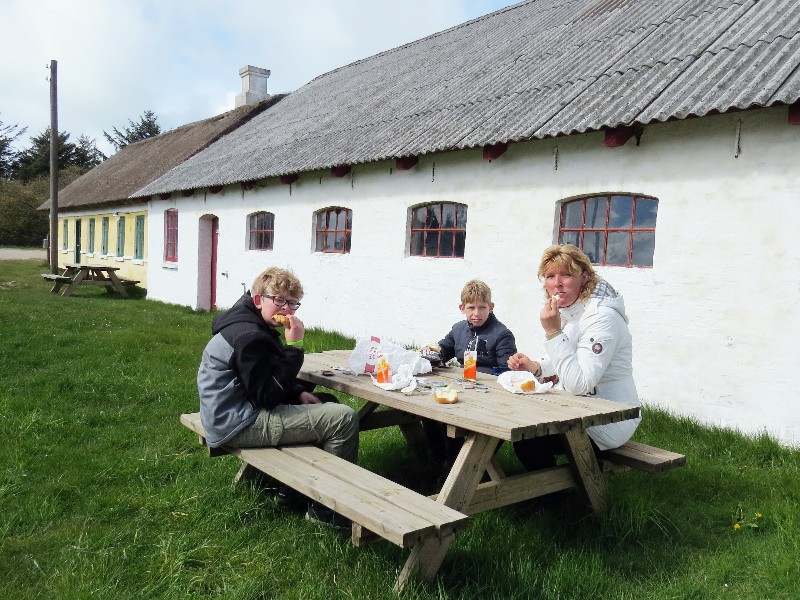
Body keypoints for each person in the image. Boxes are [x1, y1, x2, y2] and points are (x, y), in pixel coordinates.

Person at [197, 266, 359, 526]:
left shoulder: (247, 321)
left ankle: (292, 491)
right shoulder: (250, 336)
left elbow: (261, 377)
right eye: (280, 300)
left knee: (327, 404)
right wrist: (294, 347)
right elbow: (268, 396)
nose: (286, 309)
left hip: (231, 410)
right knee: (343, 418)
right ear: (259, 299)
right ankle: (328, 511)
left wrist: (299, 392)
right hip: (237, 423)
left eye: (293, 304)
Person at [507, 244, 641, 471]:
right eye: (550, 276)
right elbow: (569, 353)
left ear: (585, 278)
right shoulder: (575, 309)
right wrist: (536, 366)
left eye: (566, 275)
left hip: (610, 418)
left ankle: (558, 499)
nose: (557, 283)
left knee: (530, 440)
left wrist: (552, 332)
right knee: (517, 422)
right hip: (578, 407)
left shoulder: (602, 318)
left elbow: (579, 383)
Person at [424, 279, 517, 483]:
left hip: (488, 395)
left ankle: (460, 467)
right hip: (461, 389)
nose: (477, 313)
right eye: (471, 307)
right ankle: (440, 461)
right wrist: (429, 355)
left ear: (491, 308)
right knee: (428, 412)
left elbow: (506, 373)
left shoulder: (502, 334)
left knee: (449, 419)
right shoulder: (458, 330)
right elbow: (442, 352)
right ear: (462, 308)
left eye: (482, 307)